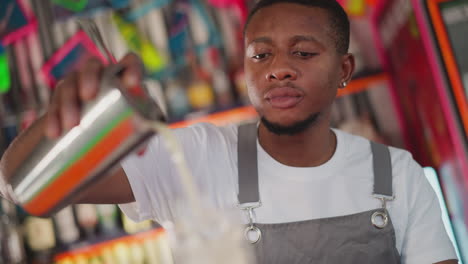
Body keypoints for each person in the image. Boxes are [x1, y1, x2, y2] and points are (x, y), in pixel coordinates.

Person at [0, 0, 459, 263]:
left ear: (344, 69)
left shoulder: (398, 176)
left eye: (302, 53)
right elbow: (24, 190)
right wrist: (64, 130)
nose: (279, 69)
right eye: (261, 55)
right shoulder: (200, 156)